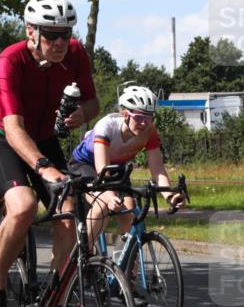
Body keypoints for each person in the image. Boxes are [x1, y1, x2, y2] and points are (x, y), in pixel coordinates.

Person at [0, 0, 99, 307]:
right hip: (6, 137)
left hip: (45, 136)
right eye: (51, 35)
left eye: (66, 33)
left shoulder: (76, 52)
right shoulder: (11, 59)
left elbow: (93, 103)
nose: (61, 42)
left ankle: (57, 301)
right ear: (31, 32)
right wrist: (44, 167)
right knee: (23, 206)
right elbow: (14, 127)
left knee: (71, 208)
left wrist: (84, 114)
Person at [68, 85, 185, 246]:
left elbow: (157, 169)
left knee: (129, 212)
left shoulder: (150, 131)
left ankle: (125, 268)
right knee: (103, 204)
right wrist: (109, 196)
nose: (144, 123)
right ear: (125, 114)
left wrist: (169, 196)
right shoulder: (107, 126)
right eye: (138, 117)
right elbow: (102, 169)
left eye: (149, 117)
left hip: (117, 167)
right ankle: (82, 257)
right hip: (85, 164)